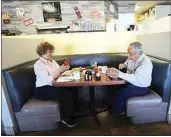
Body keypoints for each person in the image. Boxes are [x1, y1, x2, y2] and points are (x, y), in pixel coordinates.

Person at [34, 41, 77, 127]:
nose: (52, 53)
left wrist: (64, 68)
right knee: (66, 93)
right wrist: (59, 70)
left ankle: (75, 111)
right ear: (43, 52)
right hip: (42, 89)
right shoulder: (38, 65)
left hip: (53, 85)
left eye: (51, 51)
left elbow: (58, 72)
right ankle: (67, 118)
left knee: (74, 88)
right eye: (50, 51)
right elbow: (48, 80)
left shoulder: (51, 61)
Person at [107, 41, 153, 116]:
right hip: (131, 82)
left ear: (138, 54)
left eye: (130, 53)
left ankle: (118, 112)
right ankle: (112, 106)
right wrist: (123, 65)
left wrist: (118, 73)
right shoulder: (132, 57)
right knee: (113, 87)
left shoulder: (146, 63)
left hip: (141, 86)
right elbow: (127, 62)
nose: (128, 56)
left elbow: (135, 78)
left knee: (121, 92)